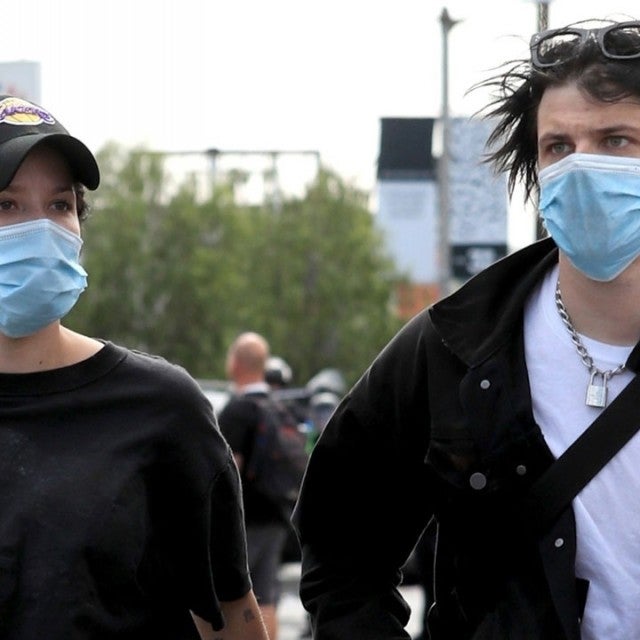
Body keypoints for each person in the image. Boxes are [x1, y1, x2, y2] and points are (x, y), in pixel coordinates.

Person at [292, 18, 640, 640]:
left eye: (617, 140)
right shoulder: (455, 345)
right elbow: (339, 545)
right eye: (558, 146)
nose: (583, 168)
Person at [0, 95, 268, 640]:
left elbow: (230, 617)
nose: (41, 230)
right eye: (6, 205)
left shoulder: (159, 407)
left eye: (59, 206)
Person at [218, 332, 293, 640]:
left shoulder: (236, 410)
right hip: (278, 513)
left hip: (245, 520)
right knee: (266, 595)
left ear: (234, 364)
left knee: (235, 599)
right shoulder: (279, 407)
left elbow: (228, 467)